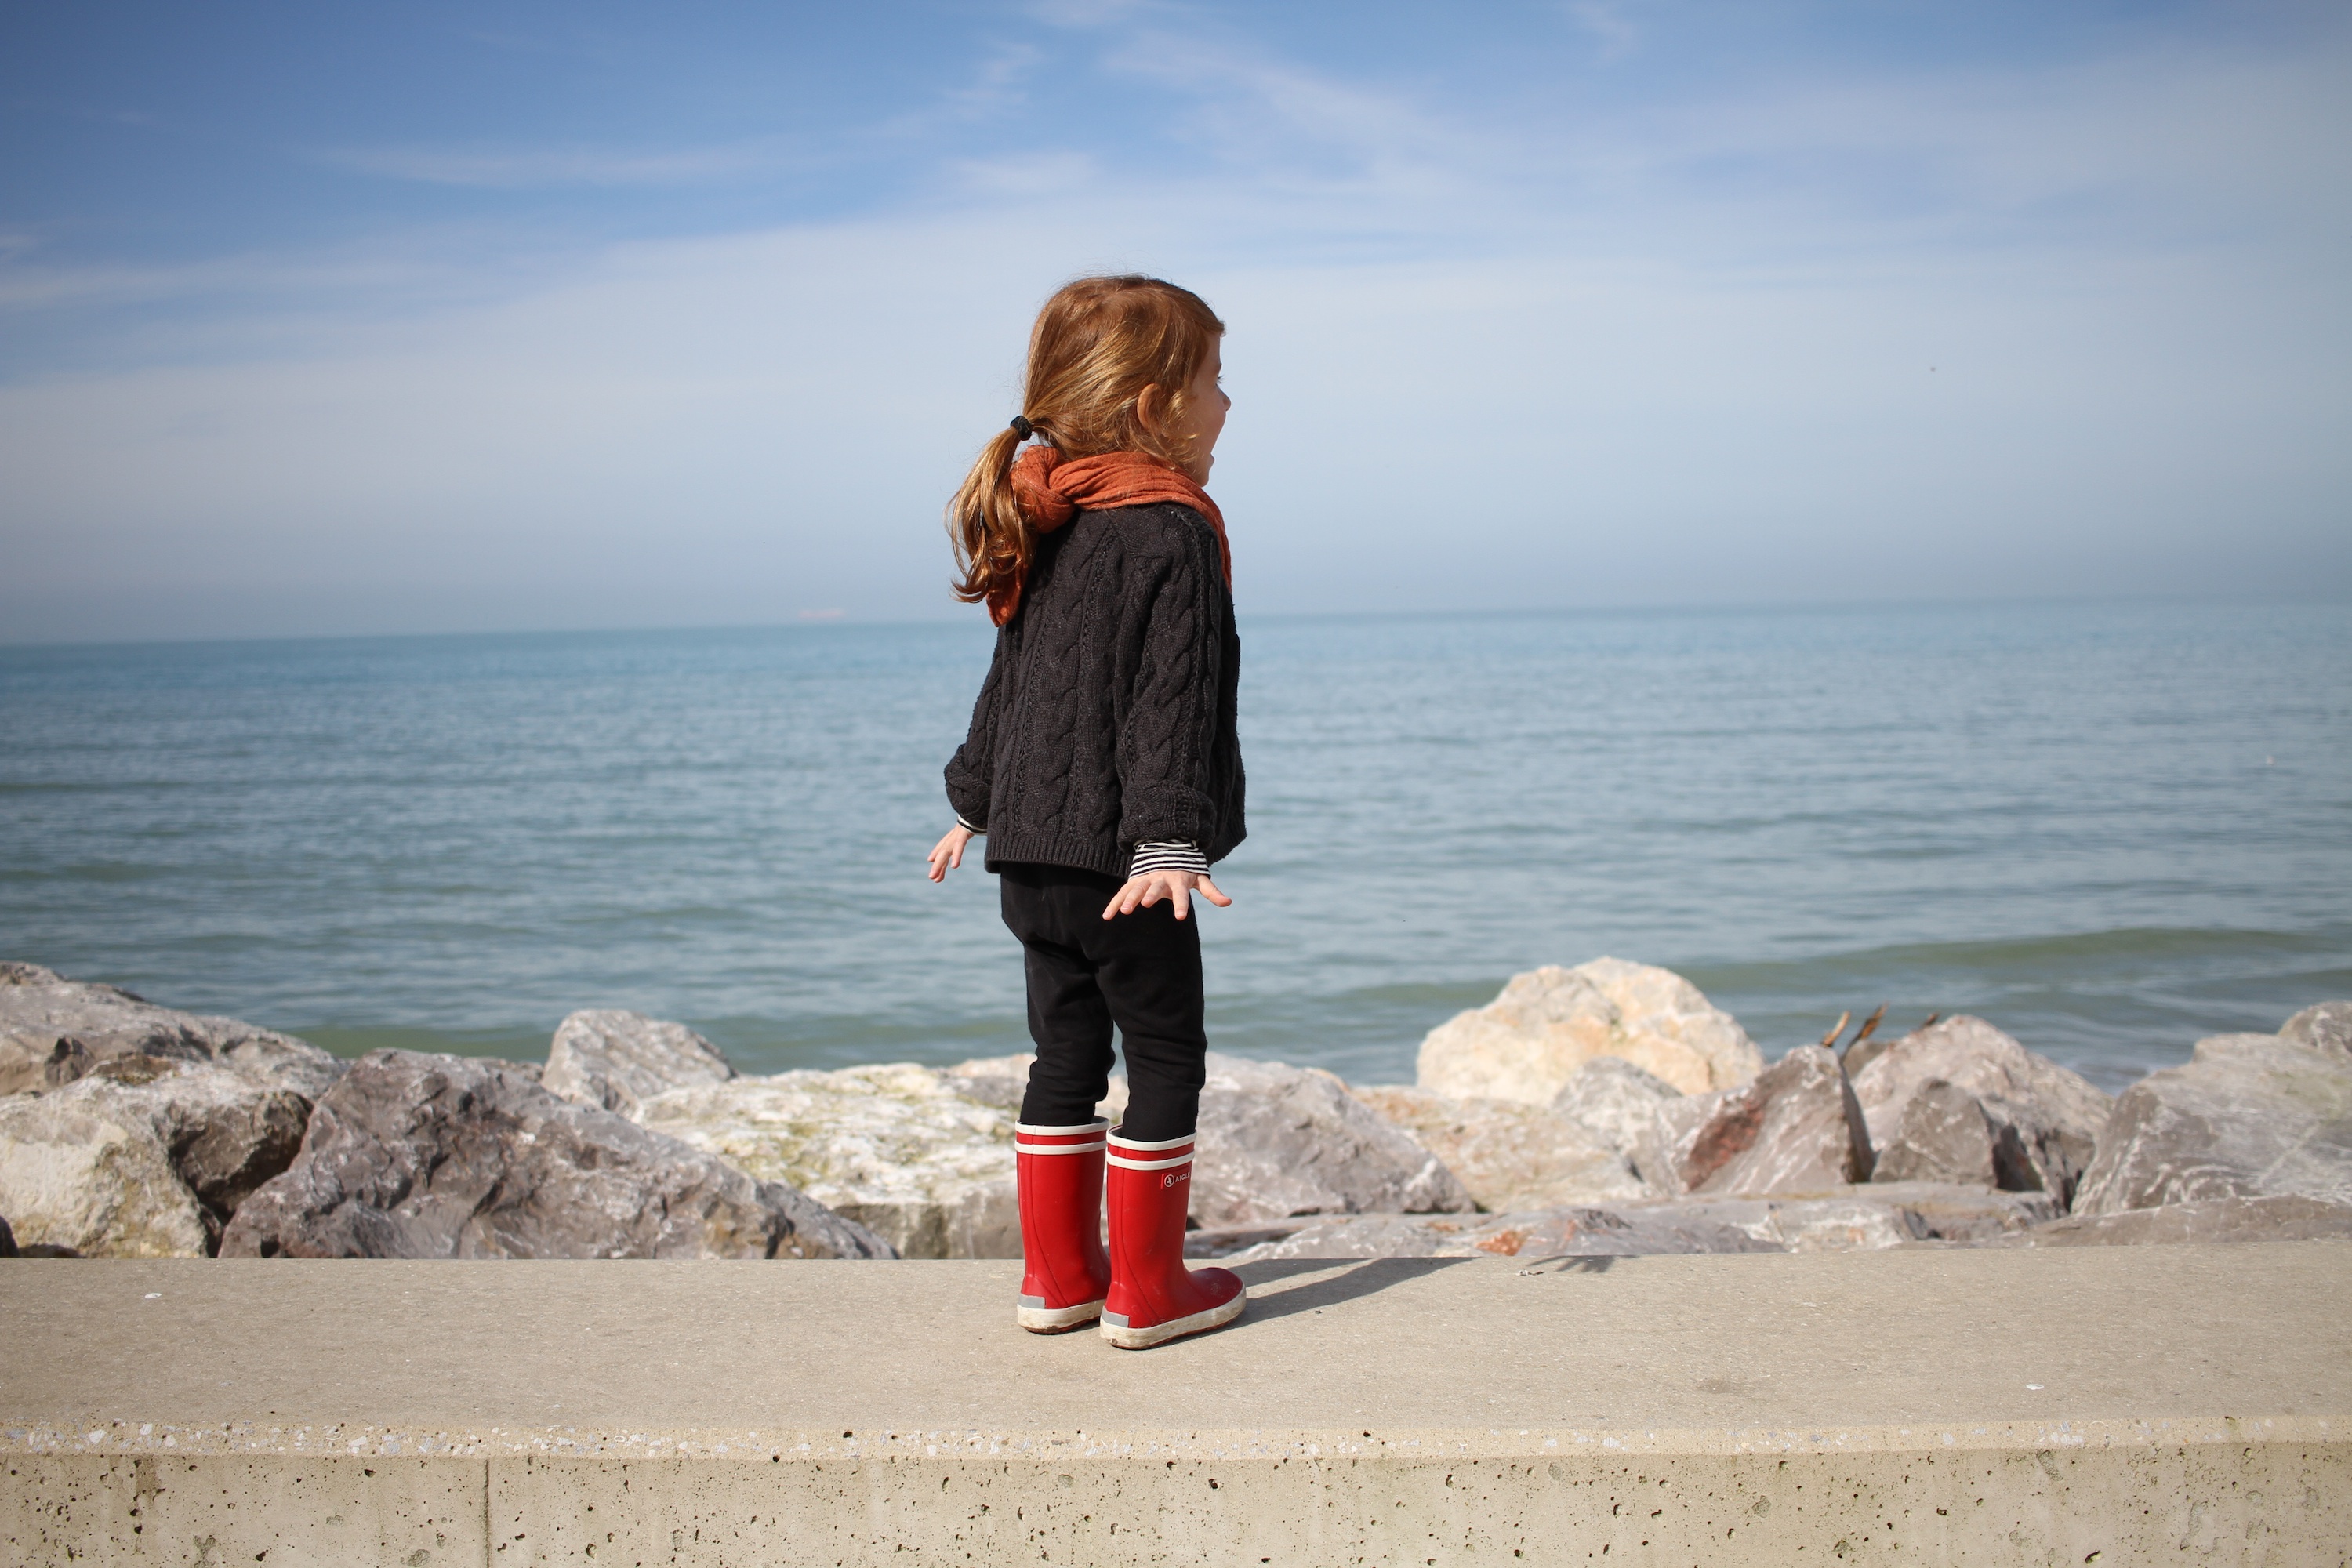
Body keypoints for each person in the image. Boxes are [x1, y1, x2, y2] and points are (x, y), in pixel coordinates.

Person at [926, 275, 1247, 1350]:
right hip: (1126, 866)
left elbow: (1011, 689)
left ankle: (1058, 1280)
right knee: (1164, 1058)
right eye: (1213, 380)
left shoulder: (1049, 516)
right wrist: (1167, 838)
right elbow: (1172, 700)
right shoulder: (1170, 530)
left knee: (1063, 1058)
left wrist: (972, 807)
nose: (1229, 403)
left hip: (1028, 859)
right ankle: (1148, 1292)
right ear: (1154, 407)